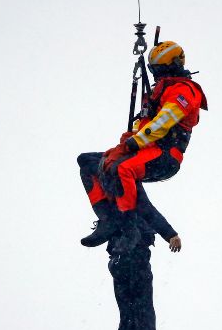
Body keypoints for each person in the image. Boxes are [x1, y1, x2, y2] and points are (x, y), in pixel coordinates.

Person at [79, 40, 207, 252]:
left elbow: (164, 121)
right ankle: (108, 219)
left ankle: (129, 226)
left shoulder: (185, 91)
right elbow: (146, 124)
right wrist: (129, 139)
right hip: (147, 149)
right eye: (154, 71)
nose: (158, 75)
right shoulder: (159, 92)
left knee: (122, 168)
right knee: (88, 162)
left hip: (165, 155)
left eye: (160, 70)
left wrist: (132, 143)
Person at [105, 186, 180, 330]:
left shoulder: (120, 191)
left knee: (133, 315)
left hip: (127, 260)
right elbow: (150, 213)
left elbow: (148, 213)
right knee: (141, 313)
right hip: (129, 259)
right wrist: (170, 234)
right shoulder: (123, 192)